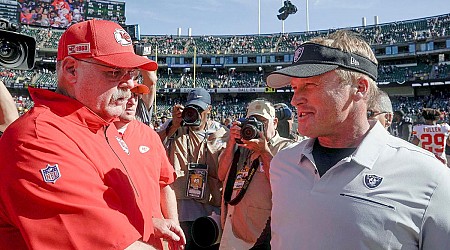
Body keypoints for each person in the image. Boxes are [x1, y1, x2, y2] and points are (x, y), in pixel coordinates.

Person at [0, 20, 180, 249]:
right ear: (71, 69)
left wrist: (148, 221)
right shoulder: (37, 137)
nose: (129, 84)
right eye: (115, 72)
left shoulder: (103, 124)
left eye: (132, 73)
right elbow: (108, 243)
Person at [266, 30, 450, 249]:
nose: (295, 100)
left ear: (359, 88)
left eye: (310, 85)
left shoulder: (429, 177)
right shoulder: (282, 164)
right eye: (295, 88)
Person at [114, 83, 186, 249]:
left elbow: (165, 184)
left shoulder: (150, 136)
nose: (132, 101)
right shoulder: (97, 135)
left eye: (136, 96)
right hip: (119, 239)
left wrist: (174, 224)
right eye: (126, 94)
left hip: (155, 238)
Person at [159, 88, 229, 249]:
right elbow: (151, 144)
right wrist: (173, 125)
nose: (195, 114)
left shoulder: (220, 133)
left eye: (199, 109)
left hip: (210, 211)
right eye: (192, 108)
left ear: (209, 110)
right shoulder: (175, 128)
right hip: (179, 210)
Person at [217, 99, 293, 249]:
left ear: (275, 122)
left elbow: (284, 186)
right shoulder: (241, 146)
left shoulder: (286, 148)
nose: (256, 127)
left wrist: (263, 151)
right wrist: (231, 143)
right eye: (253, 121)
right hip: (232, 229)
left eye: (262, 121)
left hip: (263, 236)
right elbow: (221, 174)